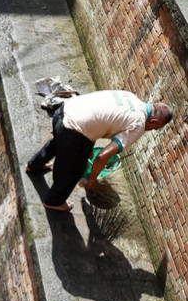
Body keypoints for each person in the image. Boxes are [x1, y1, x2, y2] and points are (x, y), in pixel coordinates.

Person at [27, 90, 173, 211]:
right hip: (71, 130)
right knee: (75, 169)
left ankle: (34, 165)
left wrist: (89, 148)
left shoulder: (131, 97)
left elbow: (99, 119)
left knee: (59, 143)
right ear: (154, 122)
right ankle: (53, 202)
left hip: (63, 111)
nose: (151, 130)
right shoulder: (139, 124)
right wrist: (92, 179)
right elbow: (102, 157)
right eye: (155, 128)